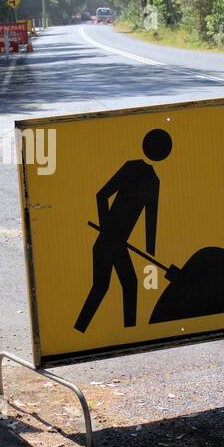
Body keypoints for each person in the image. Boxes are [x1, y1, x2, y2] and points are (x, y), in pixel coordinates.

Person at [74, 129, 172, 333]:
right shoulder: (133, 169)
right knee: (107, 287)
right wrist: (106, 227)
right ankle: (88, 330)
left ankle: (119, 330)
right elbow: (101, 195)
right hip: (108, 242)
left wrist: (149, 251)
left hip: (115, 243)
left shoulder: (153, 181)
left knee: (119, 286)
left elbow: (150, 220)